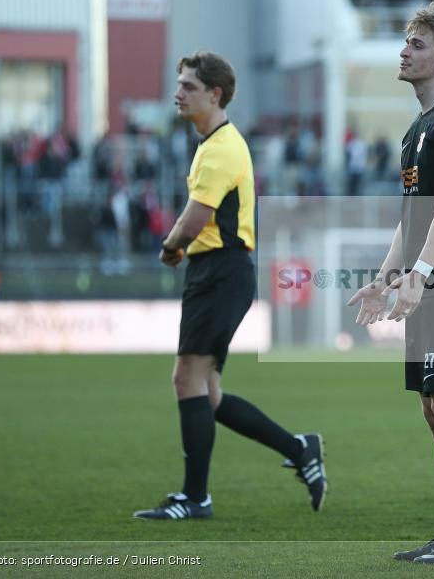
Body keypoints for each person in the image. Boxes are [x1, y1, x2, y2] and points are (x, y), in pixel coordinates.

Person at [134, 51, 326, 520]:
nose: (178, 92)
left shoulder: (220, 147)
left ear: (214, 94)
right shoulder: (213, 143)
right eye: (178, 84)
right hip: (219, 271)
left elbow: (194, 219)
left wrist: (170, 247)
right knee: (208, 393)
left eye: (189, 86)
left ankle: (196, 498)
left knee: (186, 378)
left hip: (220, 271)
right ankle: (300, 449)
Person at [347, 5, 434, 564]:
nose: (404, 51)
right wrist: (384, 280)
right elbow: (413, 218)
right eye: (405, 42)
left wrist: (423, 276)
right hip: (429, 283)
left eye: (416, 43)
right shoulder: (415, 131)